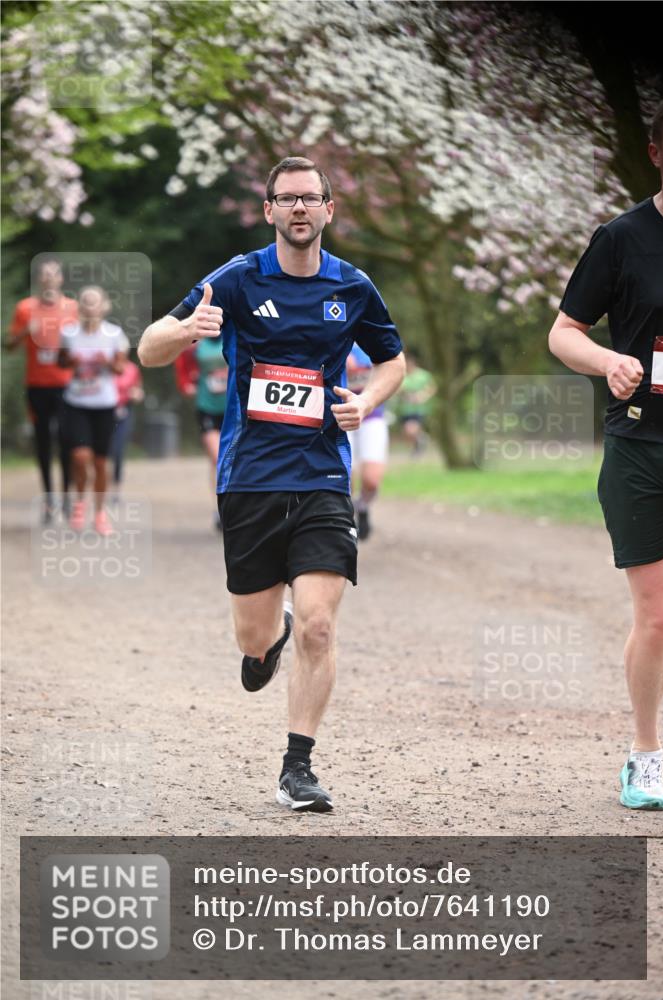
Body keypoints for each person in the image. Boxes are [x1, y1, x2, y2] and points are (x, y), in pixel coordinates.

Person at [138, 156, 405, 812]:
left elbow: (392, 360)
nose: (298, 209)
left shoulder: (352, 286)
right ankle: (266, 643)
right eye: (286, 199)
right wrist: (183, 330)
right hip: (250, 478)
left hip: (319, 475)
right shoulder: (235, 278)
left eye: (310, 198)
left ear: (327, 210)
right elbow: (146, 348)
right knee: (255, 638)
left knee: (318, 624)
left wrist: (366, 403)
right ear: (268, 211)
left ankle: (298, 766)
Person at [548, 100, 663, 811]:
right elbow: (563, 331)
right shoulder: (621, 238)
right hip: (639, 446)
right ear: (654, 152)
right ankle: (645, 756)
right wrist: (605, 361)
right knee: (656, 615)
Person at [6, 259, 78, 520]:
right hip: (37, 386)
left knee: (68, 441)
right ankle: (49, 501)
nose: (49, 279)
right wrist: (25, 331)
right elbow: (9, 344)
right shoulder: (25, 309)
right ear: (39, 280)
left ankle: (68, 498)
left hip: (67, 385)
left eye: (53, 274)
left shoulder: (72, 308)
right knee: (43, 442)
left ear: (60, 279)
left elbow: (84, 341)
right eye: (44, 275)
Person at [58, 286, 129, 536]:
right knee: (79, 457)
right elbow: (61, 361)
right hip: (75, 403)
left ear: (103, 306)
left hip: (104, 405)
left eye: (94, 302)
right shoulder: (69, 333)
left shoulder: (114, 334)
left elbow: (121, 368)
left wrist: (107, 362)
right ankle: (80, 501)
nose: (90, 307)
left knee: (100, 462)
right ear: (80, 306)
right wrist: (72, 362)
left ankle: (99, 514)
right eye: (86, 302)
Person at [174, 335, 228, 531]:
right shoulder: (197, 346)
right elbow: (181, 363)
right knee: (218, 458)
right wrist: (186, 384)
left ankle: (231, 505)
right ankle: (221, 508)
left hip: (233, 407)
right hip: (207, 407)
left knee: (231, 459)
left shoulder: (234, 336)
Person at [346, 342, 389, 540]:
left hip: (371, 415)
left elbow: (391, 363)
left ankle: (362, 506)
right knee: (345, 476)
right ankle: (347, 517)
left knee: (371, 479)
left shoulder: (372, 331)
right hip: (340, 415)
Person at [110, 357, 144, 502]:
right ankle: (102, 487)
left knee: (118, 451)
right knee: (104, 452)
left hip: (124, 413)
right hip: (104, 412)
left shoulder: (132, 369)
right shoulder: (106, 366)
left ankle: (116, 489)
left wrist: (135, 395)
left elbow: (139, 393)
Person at [395, 351, 436, 455]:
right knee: (406, 433)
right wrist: (403, 394)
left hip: (419, 409)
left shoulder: (423, 375)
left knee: (411, 430)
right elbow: (397, 390)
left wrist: (422, 396)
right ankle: (419, 443)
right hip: (404, 409)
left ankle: (421, 440)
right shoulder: (401, 375)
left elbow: (432, 388)